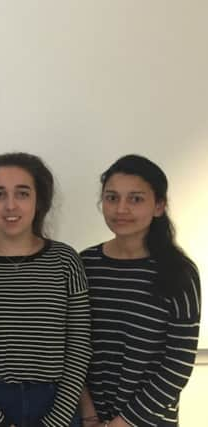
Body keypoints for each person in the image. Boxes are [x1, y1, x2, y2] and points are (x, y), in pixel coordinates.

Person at [0, 152, 92, 427]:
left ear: (38, 200)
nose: (10, 205)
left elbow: (79, 346)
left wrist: (56, 421)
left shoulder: (66, 261)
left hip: (55, 404)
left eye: (22, 193)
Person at [78, 154, 201, 427]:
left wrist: (125, 423)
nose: (121, 209)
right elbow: (73, 348)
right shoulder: (83, 265)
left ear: (159, 206)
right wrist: (88, 415)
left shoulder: (180, 272)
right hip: (89, 419)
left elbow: (178, 362)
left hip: (150, 421)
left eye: (135, 199)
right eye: (112, 198)